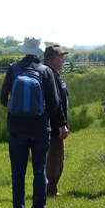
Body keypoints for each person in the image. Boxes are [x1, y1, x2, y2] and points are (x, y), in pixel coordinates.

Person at [0, 37, 67, 208]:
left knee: (18, 172)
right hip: (40, 128)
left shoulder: (13, 69)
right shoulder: (45, 71)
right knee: (39, 170)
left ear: (24, 50)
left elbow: (2, 98)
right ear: (39, 51)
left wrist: (17, 108)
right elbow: (54, 104)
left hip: (16, 128)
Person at [44, 45, 70, 197]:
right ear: (52, 59)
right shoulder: (51, 76)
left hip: (47, 125)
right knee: (55, 159)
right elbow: (55, 104)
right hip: (54, 126)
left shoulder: (48, 73)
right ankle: (50, 191)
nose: (63, 61)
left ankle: (49, 189)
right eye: (61, 58)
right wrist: (62, 125)